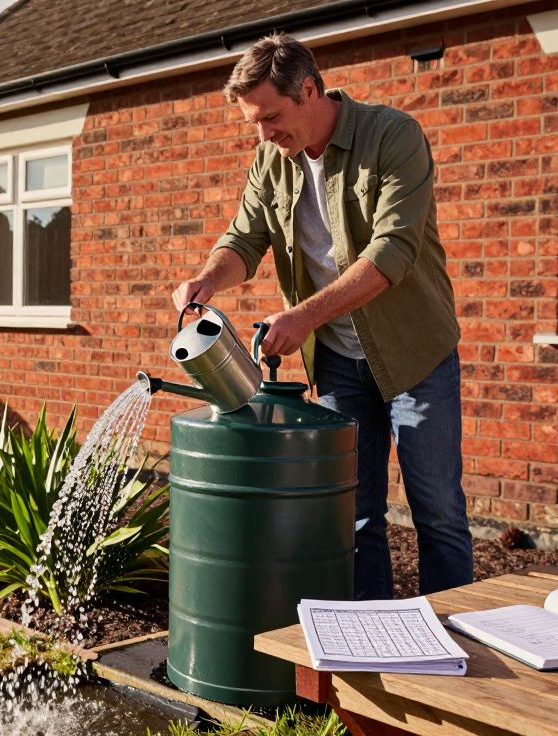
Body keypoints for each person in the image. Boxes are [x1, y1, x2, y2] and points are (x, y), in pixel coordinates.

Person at [171, 33, 473, 600]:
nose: (263, 135)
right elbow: (245, 238)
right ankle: (370, 658)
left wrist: (303, 316)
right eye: (254, 124)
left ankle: (458, 652)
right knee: (354, 516)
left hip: (415, 356)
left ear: (309, 89)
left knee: (437, 511)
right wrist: (209, 279)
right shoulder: (271, 160)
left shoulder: (392, 136)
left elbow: (392, 253)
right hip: (337, 366)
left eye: (272, 118)